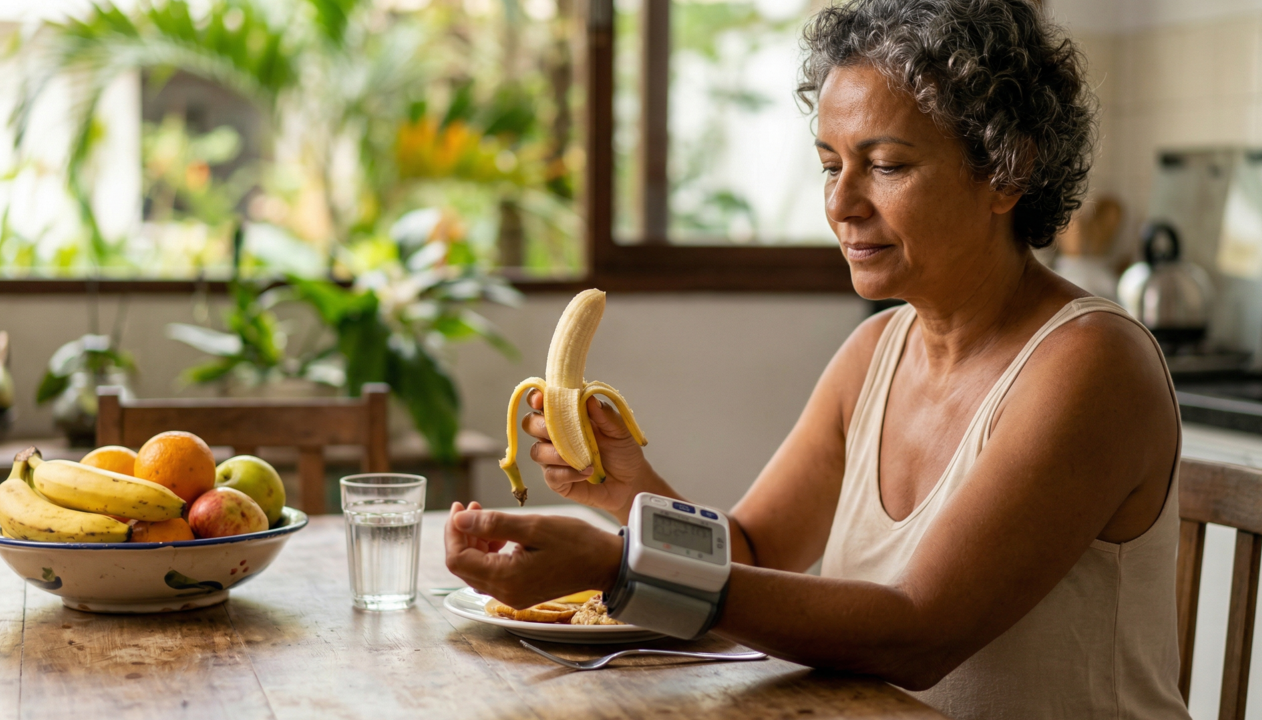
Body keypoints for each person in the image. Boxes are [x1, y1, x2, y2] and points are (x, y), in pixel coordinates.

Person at [444, 1, 1190, 717]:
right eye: (832, 165)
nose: (841, 204)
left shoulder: (1091, 364)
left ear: (1006, 171)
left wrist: (621, 566)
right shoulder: (874, 353)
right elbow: (753, 552)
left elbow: (917, 634)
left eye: (886, 165)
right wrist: (627, 492)